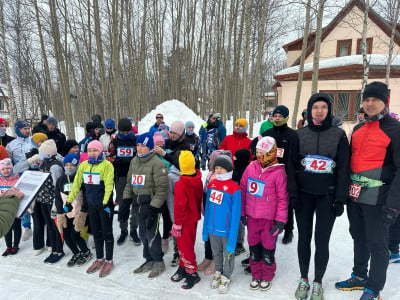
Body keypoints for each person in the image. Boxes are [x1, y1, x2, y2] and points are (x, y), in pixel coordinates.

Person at [335, 82, 400, 300]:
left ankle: (373, 288)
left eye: (375, 100)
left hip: (379, 197)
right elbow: (351, 162)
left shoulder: (395, 129)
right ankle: (360, 275)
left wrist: (393, 204)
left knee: (377, 244)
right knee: (358, 236)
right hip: (355, 194)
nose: (370, 104)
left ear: (385, 102)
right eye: (367, 99)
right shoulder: (359, 129)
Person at [293, 93, 350, 300]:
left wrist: (341, 198)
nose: (319, 111)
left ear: (329, 110)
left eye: (323, 107)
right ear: (309, 110)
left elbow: (344, 168)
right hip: (304, 196)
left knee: (322, 241)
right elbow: (291, 167)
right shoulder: (299, 134)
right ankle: (303, 278)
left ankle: (317, 281)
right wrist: (293, 194)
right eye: (315, 107)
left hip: (327, 196)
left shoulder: (338, 135)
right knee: (304, 239)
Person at [240, 136, 288, 291]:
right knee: (254, 249)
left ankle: (267, 275)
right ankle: (256, 273)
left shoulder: (279, 172)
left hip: (269, 220)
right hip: (252, 218)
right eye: (257, 152)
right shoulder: (251, 167)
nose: (258, 156)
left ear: (271, 153)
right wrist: (242, 212)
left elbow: (282, 198)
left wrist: (281, 220)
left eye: (262, 153)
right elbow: (243, 191)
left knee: (267, 250)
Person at [66, 140, 115, 277]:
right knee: (96, 233)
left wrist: (106, 203)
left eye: (95, 150)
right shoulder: (84, 165)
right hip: (91, 206)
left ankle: (109, 260)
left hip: (104, 206)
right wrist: (69, 200)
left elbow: (109, 186)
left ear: (100, 151)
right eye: (90, 151)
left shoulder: (107, 165)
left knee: (107, 233)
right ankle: (100, 259)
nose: (92, 153)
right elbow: (76, 184)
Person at [123, 132, 168, 278]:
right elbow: (129, 182)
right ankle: (149, 259)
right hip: (138, 203)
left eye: (143, 146)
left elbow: (162, 188)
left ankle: (159, 261)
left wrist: (154, 207)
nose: (139, 148)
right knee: (142, 233)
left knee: (152, 233)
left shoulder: (157, 163)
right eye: (138, 145)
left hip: (151, 204)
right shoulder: (134, 161)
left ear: (150, 147)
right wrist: (125, 200)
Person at [255, 105, 299, 245]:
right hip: (269, 173)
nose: (278, 118)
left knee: (286, 203)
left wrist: (293, 174)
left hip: (286, 173)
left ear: (286, 117)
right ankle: (272, 225)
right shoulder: (267, 133)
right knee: (270, 201)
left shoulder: (292, 134)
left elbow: (295, 156)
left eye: (281, 116)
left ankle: (288, 229)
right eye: (275, 116)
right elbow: (257, 148)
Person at [154, 120, 191, 266]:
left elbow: (181, 163)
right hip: (163, 183)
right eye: (172, 132)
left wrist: (164, 154)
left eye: (176, 133)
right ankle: (166, 239)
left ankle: (178, 250)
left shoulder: (185, 146)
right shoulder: (168, 142)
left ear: (182, 134)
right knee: (165, 214)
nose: (173, 135)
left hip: (178, 185)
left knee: (176, 217)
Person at [202, 155, 241, 294]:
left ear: (228, 169)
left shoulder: (234, 188)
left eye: (221, 168)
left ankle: (227, 275)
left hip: (226, 230)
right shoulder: (212, 184)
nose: (218, 171)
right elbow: (208, 208)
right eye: (216, 168)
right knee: (216, 252)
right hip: (213, 228)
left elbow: (236, 215)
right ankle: (218, 270)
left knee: (228, 254)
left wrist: (233, 237)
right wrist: (205, 228)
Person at [170, 151, 203, 289]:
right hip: (193, 218)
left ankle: (192, 272)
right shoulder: (197, 178)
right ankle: (183, 267)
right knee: (186, 244)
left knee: (185, 246)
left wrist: (177, 224)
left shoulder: (181, 184)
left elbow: (179, 206)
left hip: (184, 221)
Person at [54, 154, 93, 267]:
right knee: (66, 236)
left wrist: (83, 212)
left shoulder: (81, 179)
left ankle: (86, 252)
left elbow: (86, 197)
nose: (69, 167)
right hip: (66, 213)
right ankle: (76, 253)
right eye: (66, 165)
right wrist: (60, 213)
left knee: (75, 235)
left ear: (77, 166)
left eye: (72, 165)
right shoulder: (60, 180)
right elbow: (57, 197)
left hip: (79, 212)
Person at [109, 118, 140, 246]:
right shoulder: (114, 141)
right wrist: (118, 161)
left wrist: (133, 161)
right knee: (123, 204)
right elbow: (110, 157)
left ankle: (134, 230)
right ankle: (123, 230)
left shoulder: (136, 140)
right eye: (123, 132)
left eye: (128, 132)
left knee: (136, 203)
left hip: (135, 176)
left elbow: (141, 155)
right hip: (121, 176)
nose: (126, 135)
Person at [35, 139, 65, 264]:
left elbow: (58, 186)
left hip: (53, 201)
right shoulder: (44, 163)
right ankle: (53, 249)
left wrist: (55, 204)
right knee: (49, 226)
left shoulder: (55, 166)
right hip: (43, 200)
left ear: (48, 153)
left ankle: (59, 250)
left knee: (56, 226)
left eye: (41, 152)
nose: (39, 154)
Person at [6, 120, 33, 241]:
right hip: (20, 176)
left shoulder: (34, 141)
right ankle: (27, 226)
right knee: (23, 201)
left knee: (37, 201)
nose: (27, 130)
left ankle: (42, 223)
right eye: (24, 128)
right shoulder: (11, 145)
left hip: (35, 173)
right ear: (18, 130)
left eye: (28, 128)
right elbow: (9, 163)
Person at [153, 132, 172, 254]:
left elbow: (173, 167)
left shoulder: (168, 154)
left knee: (166, 214)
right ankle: (155, 237)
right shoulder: (151, 156)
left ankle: (165, 237)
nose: (159, 147)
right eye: (157, 145)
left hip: (166, 188)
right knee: (154, 215)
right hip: (154, 189)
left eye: (161, 145)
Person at [1, 159, 21, 256]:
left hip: (14, 208)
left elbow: (20, 193)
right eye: (3, 169)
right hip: (3, 209)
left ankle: (16, 245)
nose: (6, 171)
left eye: (8, 168)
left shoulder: (17, 179)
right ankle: (8, 246)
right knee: (6, 228)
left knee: (16, 227)